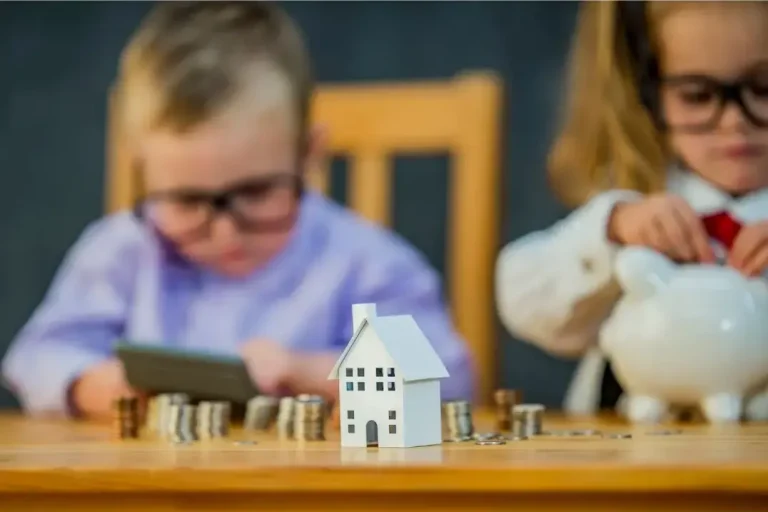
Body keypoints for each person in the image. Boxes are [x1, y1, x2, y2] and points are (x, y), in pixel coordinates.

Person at [1, 1, 474, 420]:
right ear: (143, 168)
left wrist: (306, 372)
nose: (226, 232)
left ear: (308, 155)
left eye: (256, 193)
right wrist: (97, 386)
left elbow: (447, 377)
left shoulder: (366, 263)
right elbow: (38, 356)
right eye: (187, 200)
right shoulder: (122, 251)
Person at [495, 0, 768, 416]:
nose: (734, 121)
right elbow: (523, 302)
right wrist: (612, 230)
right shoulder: (632, 207)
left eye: (764, 88)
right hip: (626, 449)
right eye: (697, 96)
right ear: (648, 95)